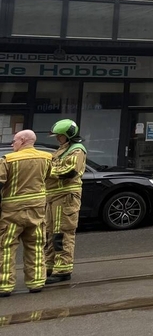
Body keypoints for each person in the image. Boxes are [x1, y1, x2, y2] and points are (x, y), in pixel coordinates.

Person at [0, 130, 51, 296]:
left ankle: (4, 286)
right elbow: (48, 178)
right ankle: (36, 282)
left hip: (11, 212)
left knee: (6, 247)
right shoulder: (46, 157)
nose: (12, 144)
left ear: (22, 140)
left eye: (14, 141)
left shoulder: (8, 160)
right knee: (36, 246)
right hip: (37, 210)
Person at [44, 119, 87, 284]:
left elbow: (70, 171)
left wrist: (47, 171)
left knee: (62, 233)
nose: (57, 138)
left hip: (66, 196)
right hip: (53, 196)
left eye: (60, 136)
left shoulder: (77, 150)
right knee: (50, 232)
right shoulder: (63, 149)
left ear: (68, 135)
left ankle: (63, 269)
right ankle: (50, 265)